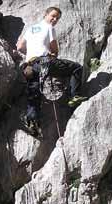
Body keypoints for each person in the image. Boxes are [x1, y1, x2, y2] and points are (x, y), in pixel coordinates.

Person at [16, 7, 86, 135]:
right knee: (77, 67)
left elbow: (20, 47)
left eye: (57, 18)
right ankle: (74, 96)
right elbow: (54, 50)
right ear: (46, 14)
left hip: (30, 66)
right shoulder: (49, 28)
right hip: (44, 63)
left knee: (34, 94)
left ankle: (33, 123)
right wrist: (50, 54)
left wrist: (31, 54)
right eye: (53, 16)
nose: (54, 20)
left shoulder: (30, 29)